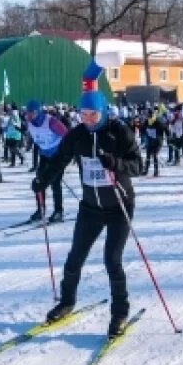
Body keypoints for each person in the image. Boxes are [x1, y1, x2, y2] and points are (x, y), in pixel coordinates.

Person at [34, 61, 141, 338]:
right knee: (74, 258)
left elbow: (137, 166)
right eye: (83, 114)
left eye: (93, 115)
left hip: (119, 206)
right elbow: (59, 160)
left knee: (112, 260)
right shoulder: (78, 135)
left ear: (103, 111)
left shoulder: (119, 132)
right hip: (90, 208)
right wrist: (42, 180)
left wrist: (114, 162)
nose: (88, 120)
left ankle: (119, 313)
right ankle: (67, 301)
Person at [25, 99, 69, 222]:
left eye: (31, 113)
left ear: (38, 111)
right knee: (39, 181)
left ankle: (58, 211)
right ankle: (41, 210)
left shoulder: (51, 122)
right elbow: (33, 136)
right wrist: (29, 144)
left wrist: (67, 152)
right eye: (27, 113)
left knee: (55, 183)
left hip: (57, 156)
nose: (29, 115)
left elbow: (67, 135)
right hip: (44, 155)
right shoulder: (30, 123)